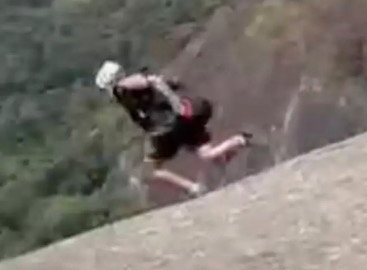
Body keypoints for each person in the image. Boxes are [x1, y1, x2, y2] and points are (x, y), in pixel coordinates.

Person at [94, 61, 251, 200]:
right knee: (207, 154)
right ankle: (237, 140)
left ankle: (193, 188)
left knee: (149, 171)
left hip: (163, 129)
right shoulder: (126, 91)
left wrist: (175, 103)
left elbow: (148, 81)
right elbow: (164, 83)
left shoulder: (121, 87)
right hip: (177, 122)